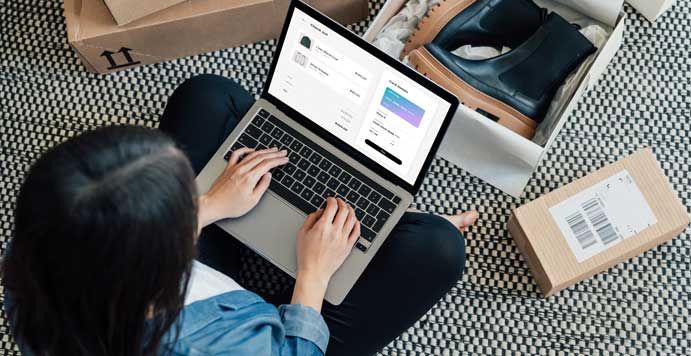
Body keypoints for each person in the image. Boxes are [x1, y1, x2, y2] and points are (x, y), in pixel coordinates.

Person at [2, 74, 478, 355]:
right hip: (271, 333)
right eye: (182, 203)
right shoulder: (227, 347)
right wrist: (312, 275)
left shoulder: (35, 261)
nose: (194, 191)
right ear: (163, 261)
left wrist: (211, 203)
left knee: (207, 95)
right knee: (437, 248)